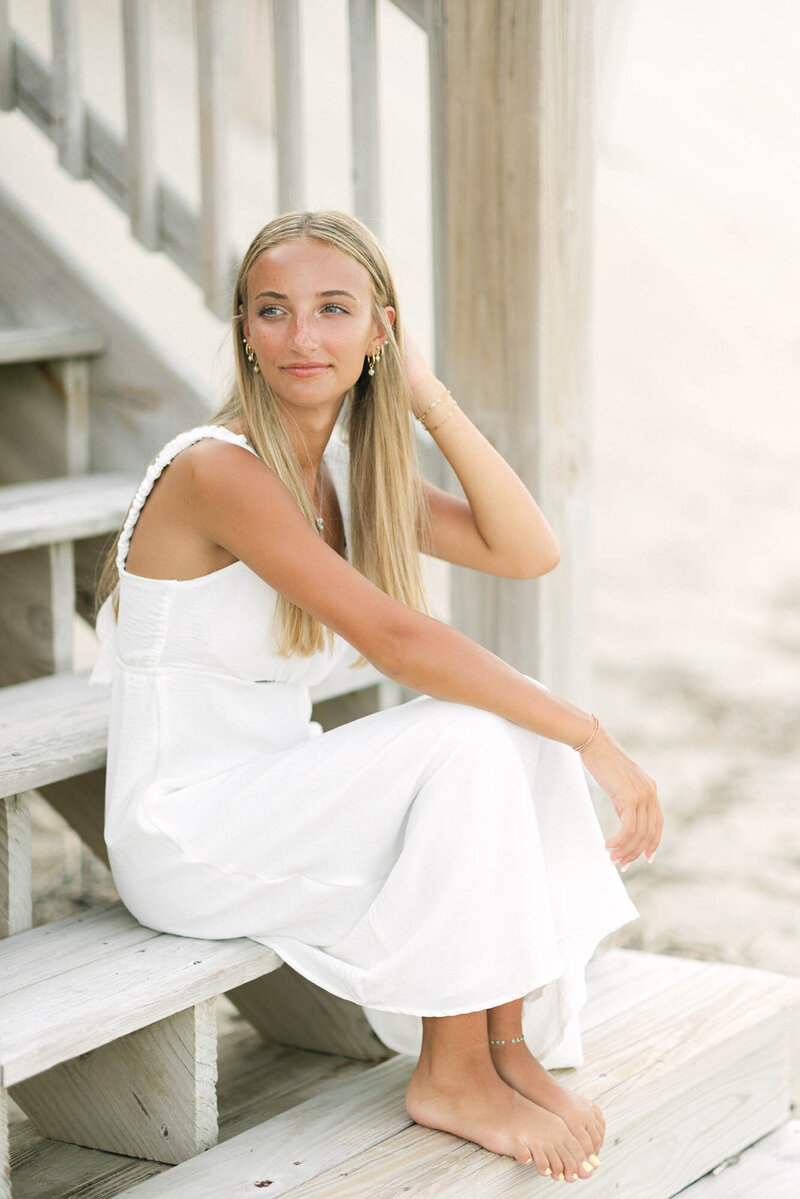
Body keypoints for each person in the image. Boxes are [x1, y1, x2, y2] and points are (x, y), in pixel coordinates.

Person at [91, 209, 662, 1183]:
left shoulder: (349, 475)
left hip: (272, 798)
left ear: (378, 331)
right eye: (271, 311)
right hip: (183, 827)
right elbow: (390, 633)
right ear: (242, 330)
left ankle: (503, 1042)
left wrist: (425, 397)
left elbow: (526, 549)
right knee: (472, 732)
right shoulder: (216, 469)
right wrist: (588, 735)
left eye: (332, 310)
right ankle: (450, 1070)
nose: (302, 337)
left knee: (492, 723)